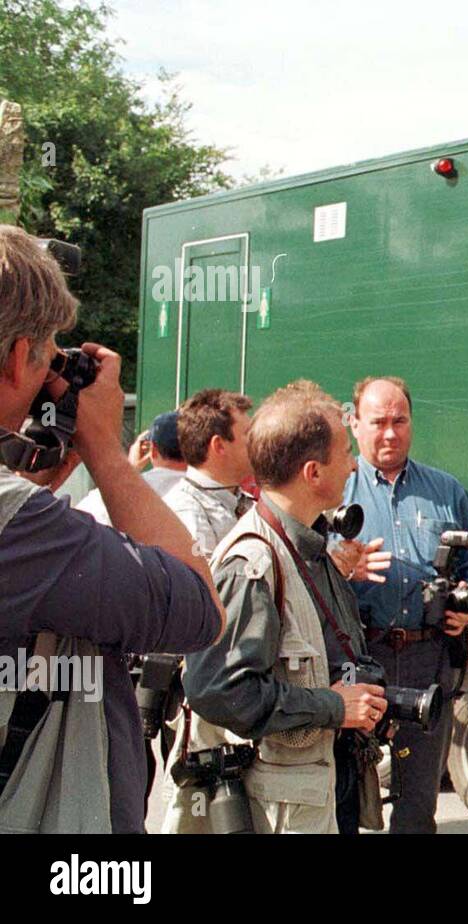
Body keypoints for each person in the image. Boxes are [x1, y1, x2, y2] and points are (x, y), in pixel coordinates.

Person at [0, 224, 223, 832]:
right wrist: (102, 449)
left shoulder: (25, 525)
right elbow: (198, 607)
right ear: (20, 357)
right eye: (48, 352)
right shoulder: (22, 529)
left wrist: (39, 480)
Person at [170, 380, 388, 834]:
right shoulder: (253, 562)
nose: (353, 465)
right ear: (312, 472)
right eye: (345, 452)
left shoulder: (310, 547)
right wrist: (332, 705)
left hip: (325, 788)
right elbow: (217, 692)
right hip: (279, 806)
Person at [344, 375, 468, 833]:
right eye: (378, 422)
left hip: (426, 660)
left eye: (400, 420)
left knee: (417, 806)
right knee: (344, 794)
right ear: (354, 424)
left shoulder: (447, 491)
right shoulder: (336, 489)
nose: (390, 432)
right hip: (358, 661)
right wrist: (341, 564)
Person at [163, 389, 255, 557]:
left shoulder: (246, 502)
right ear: (219, 445)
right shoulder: (185, 510)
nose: (256, 442)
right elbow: (203, 581)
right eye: (248, 435)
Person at [75, 410, 186, 525]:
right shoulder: (203, 489)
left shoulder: (126, 489)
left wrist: (130, 468)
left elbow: (80, 521)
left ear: (153, 450)